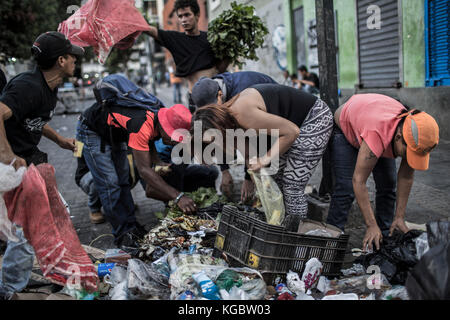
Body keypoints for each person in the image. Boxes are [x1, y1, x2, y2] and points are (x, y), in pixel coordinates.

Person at [0, 31, 83, 297]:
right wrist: (7, 155)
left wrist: (59, 139)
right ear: (61, 60)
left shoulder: (49, 86)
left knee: (60, 215)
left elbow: (33, 118)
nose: (75, 62)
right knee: (27, 230)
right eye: (72, 57)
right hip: (12, 166)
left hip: (30, 159)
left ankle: (58, 271)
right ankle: (8, 288)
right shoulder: (28, 86)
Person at [191, 83, 334, 229]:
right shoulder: (229, 123)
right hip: (292, 126)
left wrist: (264, 160)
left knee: (292, 185)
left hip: (314, 118)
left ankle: (296, 236)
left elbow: (292, 132)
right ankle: (281, 228)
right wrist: (254, 176)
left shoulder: (241, 113)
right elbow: (248, 154)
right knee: (276, 179)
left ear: (217, 126)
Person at [326, 94, 439, 251]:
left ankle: (383, 237)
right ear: (399, 137)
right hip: (346, 127)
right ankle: (331, 240)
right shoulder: (378, 133)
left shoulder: (412, 133)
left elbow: (405, 177)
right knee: (346, 188)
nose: (409, 158)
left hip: (374, 122)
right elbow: (358, 181)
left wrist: (399, 217)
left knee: (388, 185)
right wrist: (370, 224)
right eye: (409, 153)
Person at [191, 71, 277, 199]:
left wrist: (248, 177)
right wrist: (224, 170)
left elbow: (256, 139)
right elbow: (218, 132)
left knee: (276, 179)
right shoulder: (212, 92)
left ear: (220, 95)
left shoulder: (242, 95)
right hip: (266, 131)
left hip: (277, 127)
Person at [143, 0, 225, 112]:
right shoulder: (176, 39)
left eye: (187, 15)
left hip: (217, 96)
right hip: (196, 101)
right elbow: (153, 31)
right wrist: (134, 24)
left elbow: (220, 68)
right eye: (180, 16)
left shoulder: (210, 38)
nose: (183, 20)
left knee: (222, 128)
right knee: (199, 129)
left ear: (197, 15)